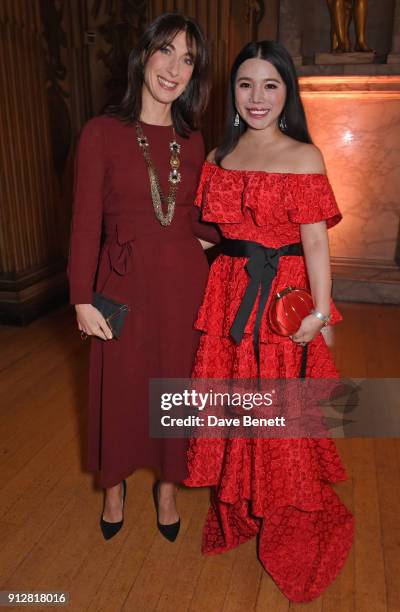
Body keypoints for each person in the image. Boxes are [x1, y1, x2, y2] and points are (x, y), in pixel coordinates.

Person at [183, 41, 354, 602]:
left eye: (270, 85)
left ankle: (291, 518)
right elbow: (212, 238)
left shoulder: (305, 157)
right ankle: (244, 507)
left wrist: (321, 313)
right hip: (230, 297)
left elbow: (316, 246)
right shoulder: (218, 159)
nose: (257, 98)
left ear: (288, 93)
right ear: (232, 93)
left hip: (282, 301)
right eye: (245, 84)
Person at [67, 13, 219, 542]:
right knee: (121, 390)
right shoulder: (101, 133)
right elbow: (86, 222)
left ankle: (168, 487)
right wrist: (81, 298)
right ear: (144, 55)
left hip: (183, 287)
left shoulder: (193, 140)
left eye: (189, 59)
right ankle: (114, 485)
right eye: (167, 52)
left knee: (173, 390)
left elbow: (199, 221)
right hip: (121, 285)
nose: (175, 68)